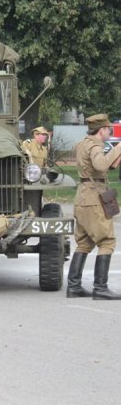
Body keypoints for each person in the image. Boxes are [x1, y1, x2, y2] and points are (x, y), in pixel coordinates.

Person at [67, 113, 121, 300]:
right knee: (106, 241)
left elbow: (101, 167)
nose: (110, 132)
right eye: (109, 129)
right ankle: (101, 288)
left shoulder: (83, 143)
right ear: (102, 130)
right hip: (93, 197)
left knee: (84, 242)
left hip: (83, 195)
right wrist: (118, 147)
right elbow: (100, 165)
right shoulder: (95, 146)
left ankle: (74, 287)